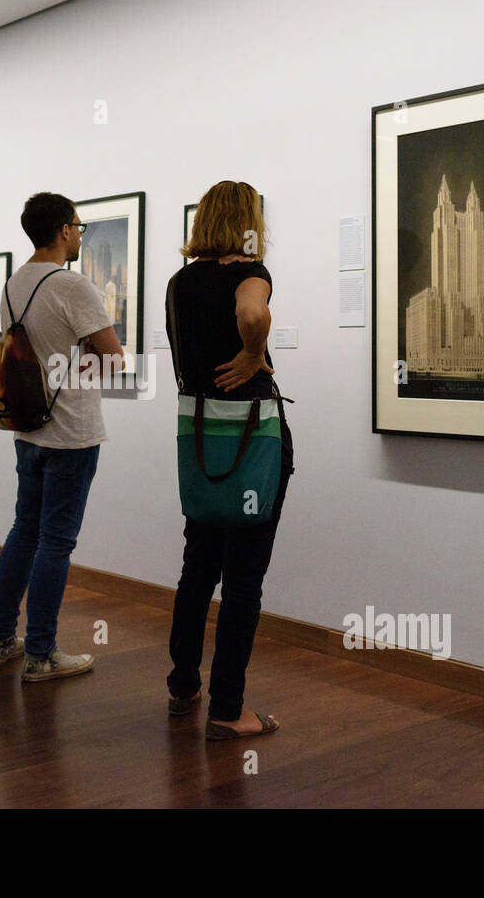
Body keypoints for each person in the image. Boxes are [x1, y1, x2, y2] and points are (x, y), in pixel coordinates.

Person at [164, 180, 295, 739]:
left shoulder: (179, 282)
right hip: (251, 438)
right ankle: (228, 708)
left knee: (198, 564)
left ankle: (183, 683)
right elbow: (252, 314)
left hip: (198, 435)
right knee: (244, 576)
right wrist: (251, 352)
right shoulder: (251, 272)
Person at [0, 192, 125, 681]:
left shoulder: (12, 286)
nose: (81, 235)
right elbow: (115, 363)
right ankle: (41, 653)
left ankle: (2, 639)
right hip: (71, 432)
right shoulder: (74, 287)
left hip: (28, 431)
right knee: (56, 542)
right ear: (64, 230)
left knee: (24, 530)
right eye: (79, 226)